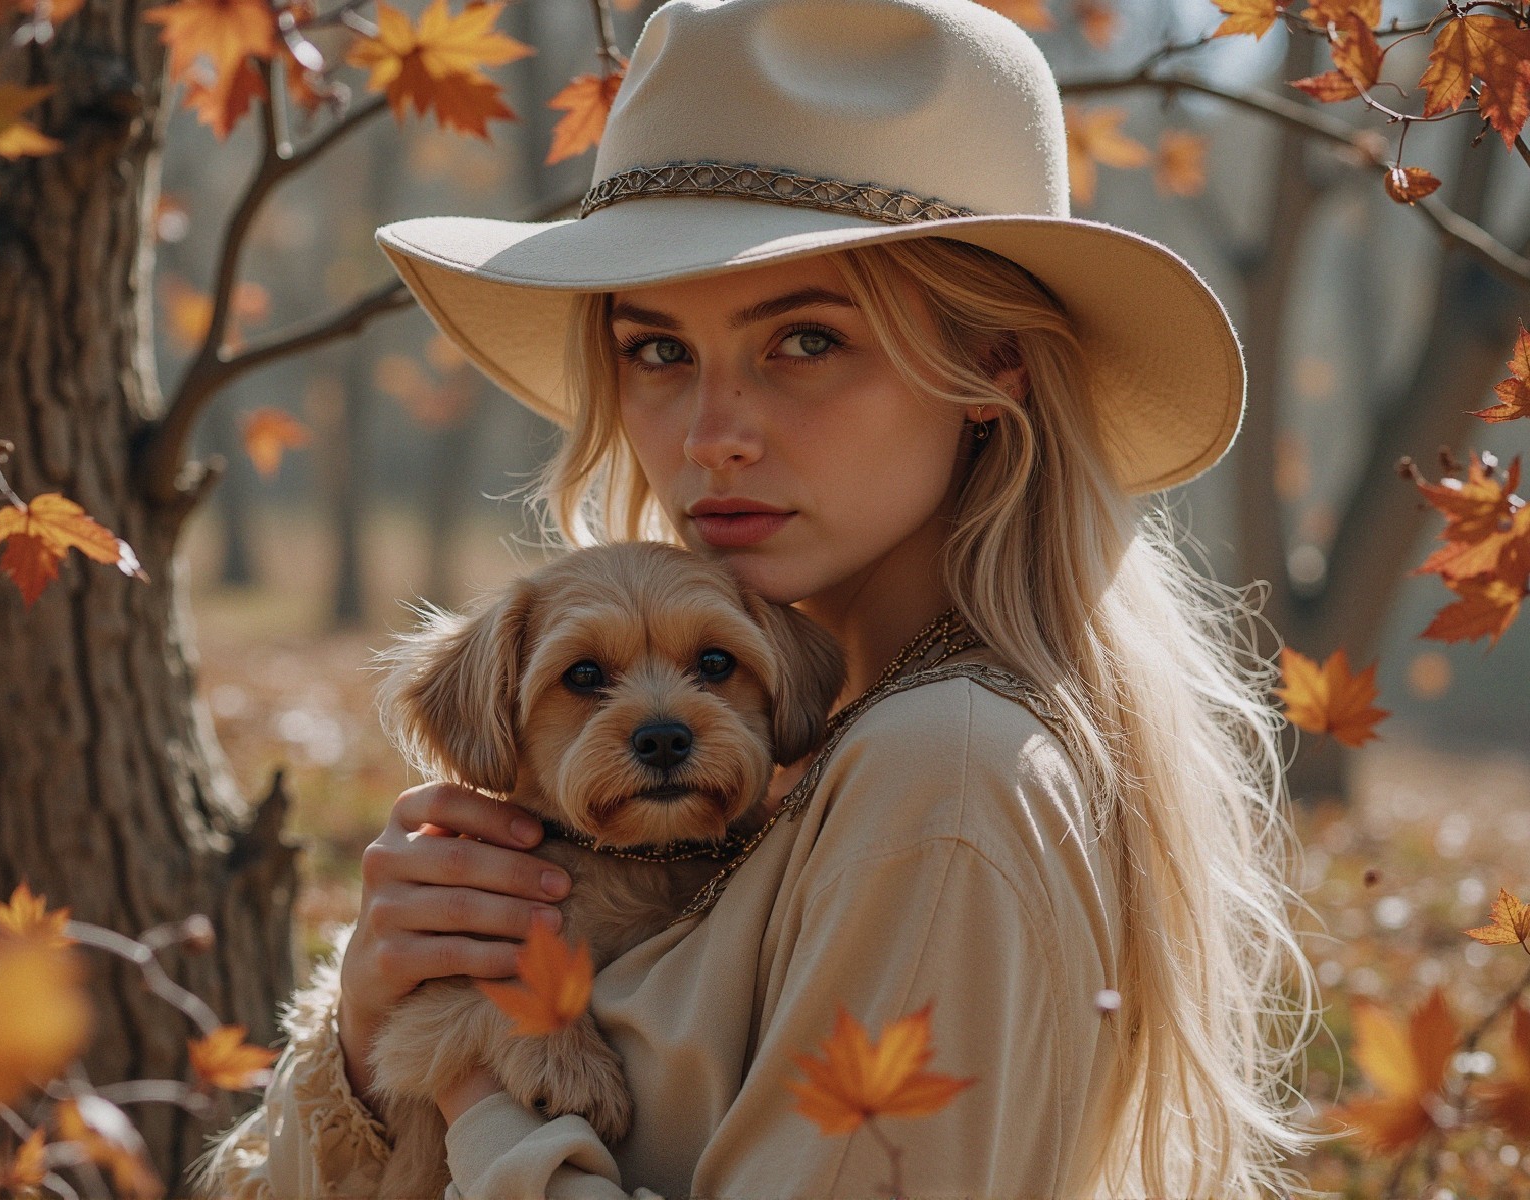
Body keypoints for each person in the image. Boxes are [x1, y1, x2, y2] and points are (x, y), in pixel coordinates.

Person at [195, 0, 1331, 1195]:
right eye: (657, 350)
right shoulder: (789, 751)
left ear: (990, 370)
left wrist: (476, 1088)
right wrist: (374, 1040)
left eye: (804, 342)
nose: (710, 435)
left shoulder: (941, 772)